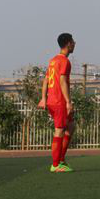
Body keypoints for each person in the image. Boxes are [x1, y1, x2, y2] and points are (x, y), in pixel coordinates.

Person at [38, 33, 76, 173]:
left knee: (71, 126)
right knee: (59, 130)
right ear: (68, 44)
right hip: (59, 101)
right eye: (73, 41)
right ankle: (55, 164)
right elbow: (62, 81)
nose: (75, 43)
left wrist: (43, 98)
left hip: (52, 100)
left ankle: (60, 159)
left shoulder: (53, 60)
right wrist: (68, 102)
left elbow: (46, 80)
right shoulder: (64, 61)